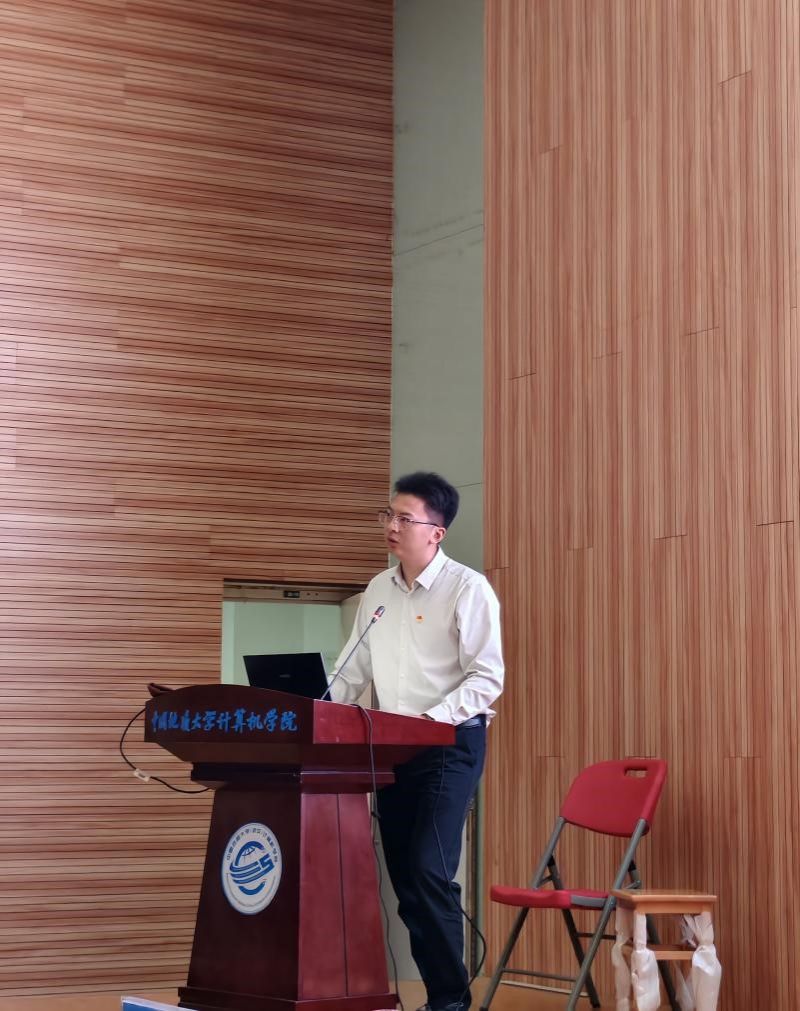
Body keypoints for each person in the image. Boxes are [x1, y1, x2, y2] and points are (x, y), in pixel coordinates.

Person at [329, 471, 504, 1011]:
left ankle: (450, 1002)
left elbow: (487, 678)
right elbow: (352, 670)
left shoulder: (468, 588)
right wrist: (314, 710)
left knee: (429, 869)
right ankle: (440, 995)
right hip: (392, 748)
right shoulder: (378, 590)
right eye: (389, 515)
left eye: (405, 518)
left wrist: (432, 720)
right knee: (408, 880)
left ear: (436, 532)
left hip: (450, 745)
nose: (392, 525)